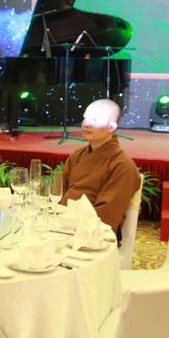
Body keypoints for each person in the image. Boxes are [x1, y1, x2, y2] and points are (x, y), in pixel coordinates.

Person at [60, 98, 141, 236]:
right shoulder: (77, 155)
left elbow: (107, 214)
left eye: (95, 120)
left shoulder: (122, 165)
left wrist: (71, 226)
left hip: (93, 234)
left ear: (111, 127)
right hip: (61, 225)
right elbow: (60, 193)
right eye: (85, 118)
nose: (86, 124)